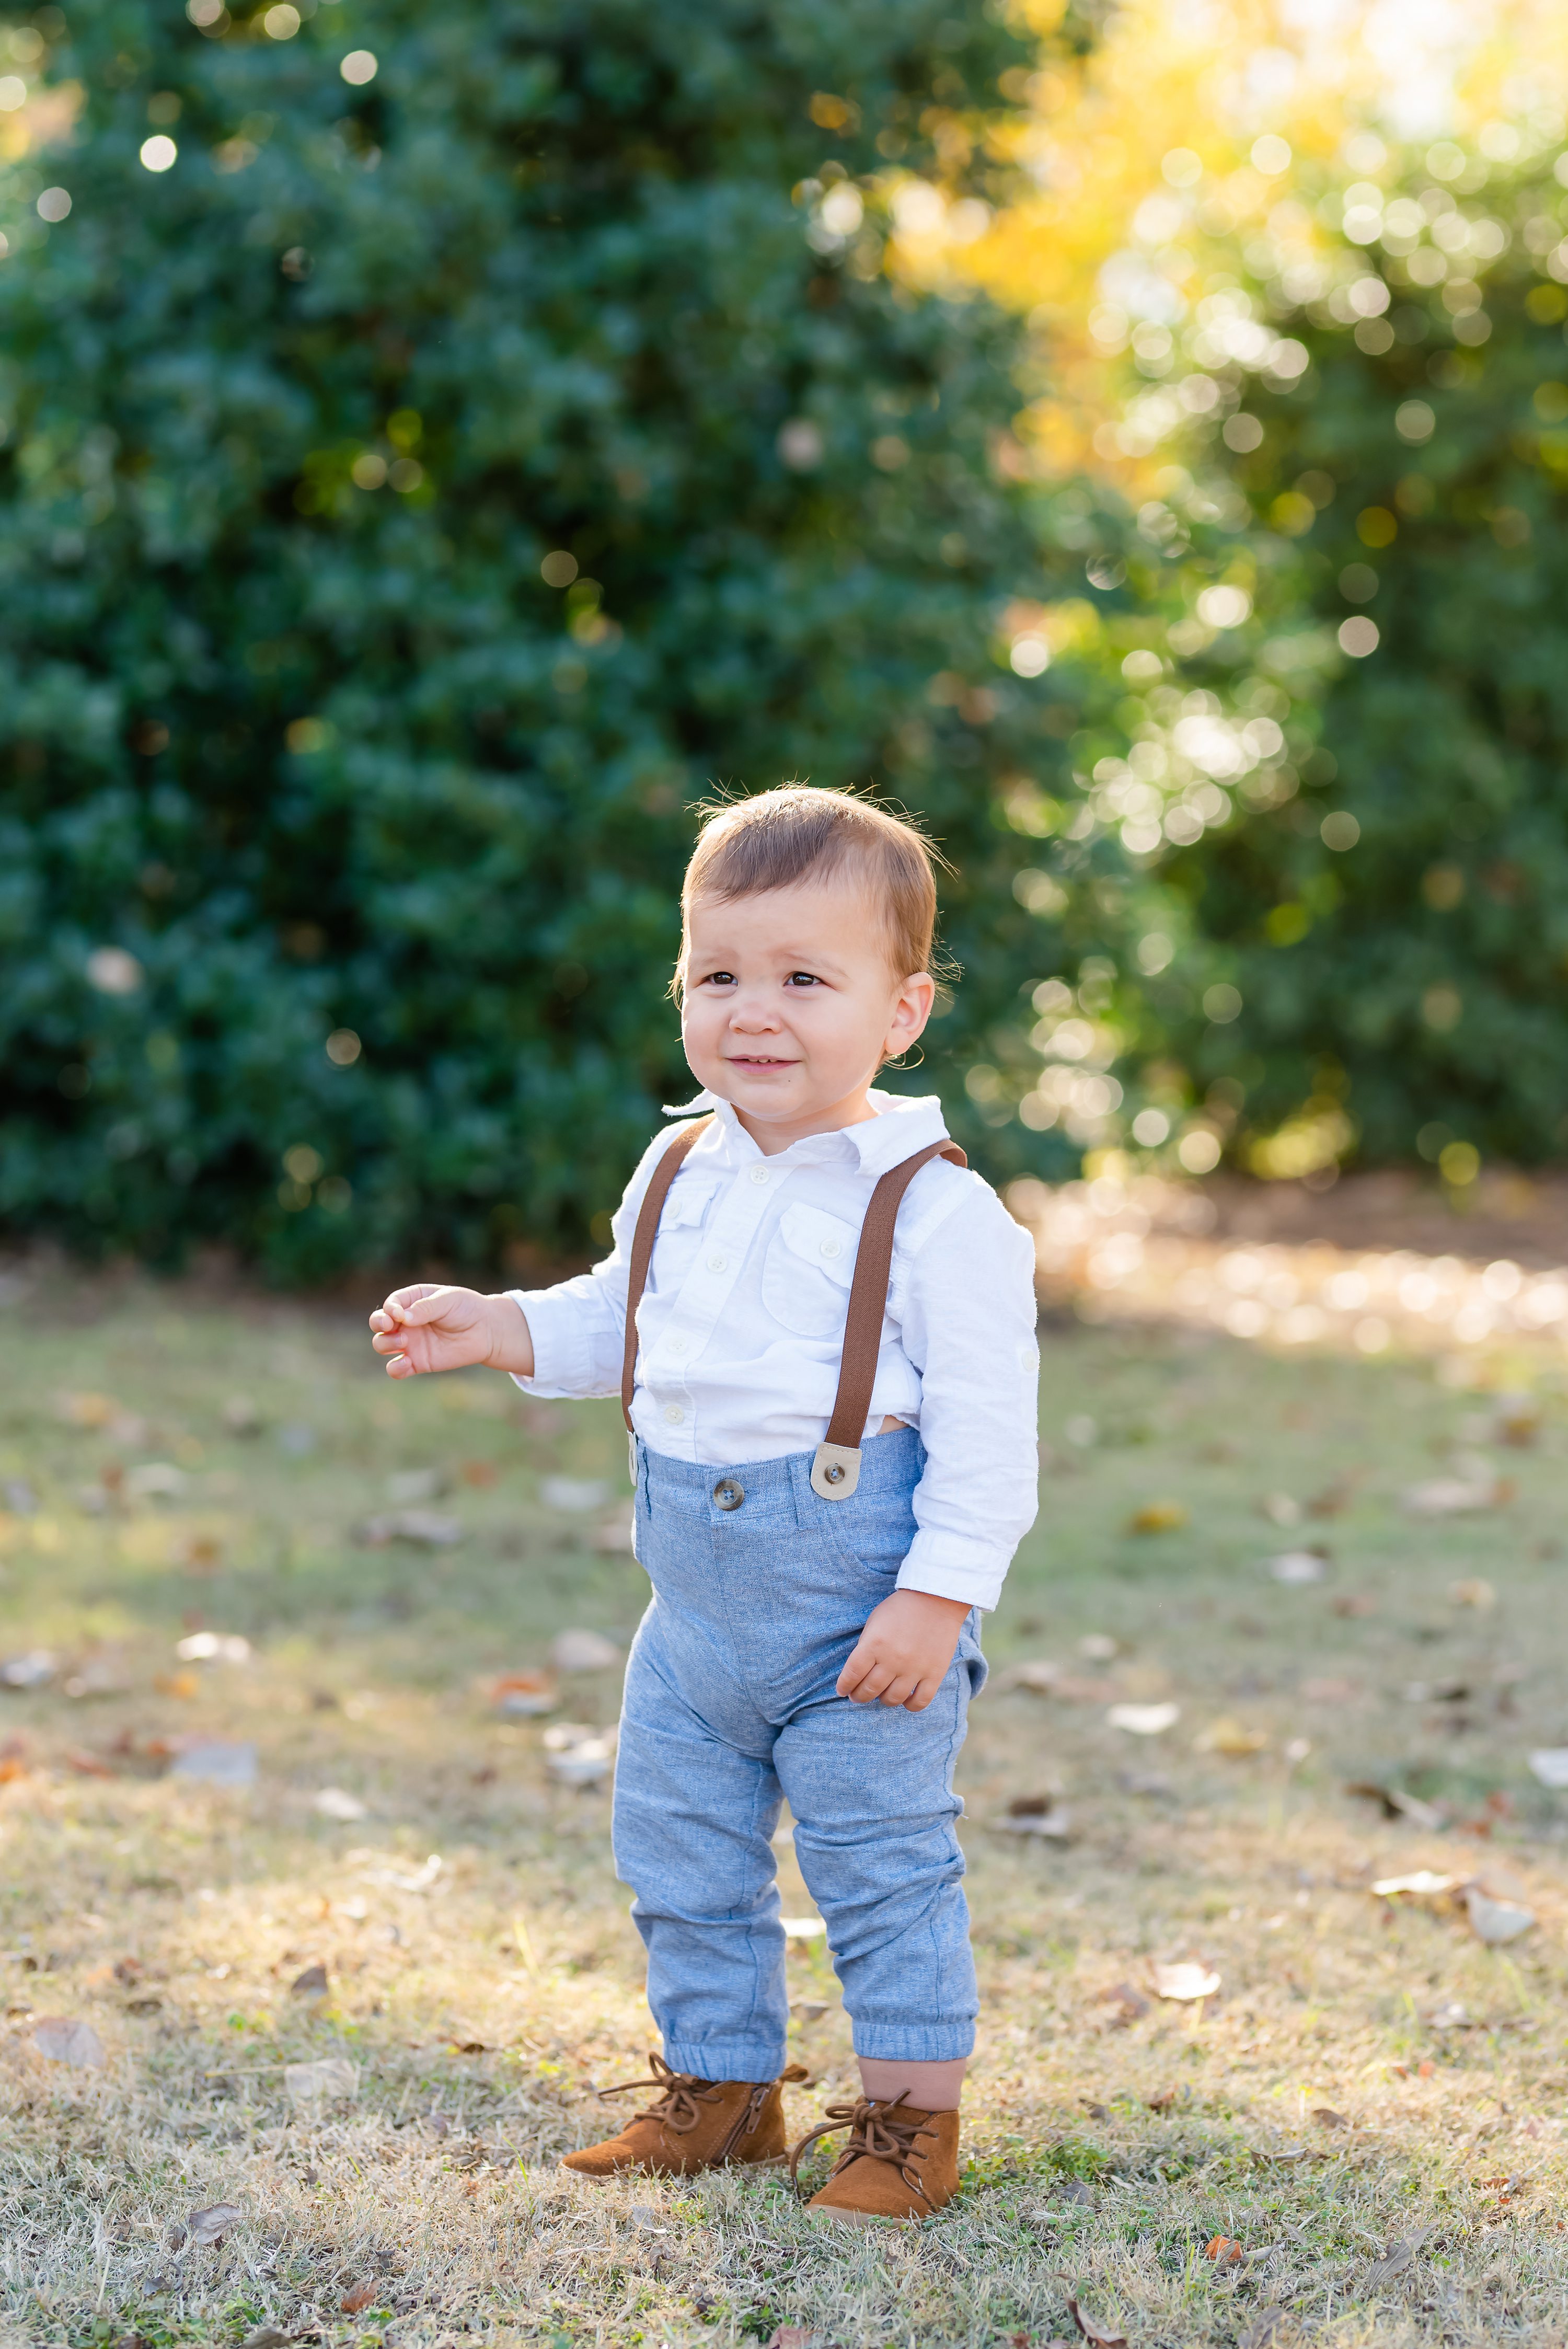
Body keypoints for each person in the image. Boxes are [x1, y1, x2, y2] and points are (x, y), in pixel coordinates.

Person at [368, 786, 1039, 2220]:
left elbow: (993, 1436)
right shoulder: (679, 1163)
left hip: (860, 1614)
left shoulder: (934, 1208)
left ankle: (911, 2128)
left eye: (807, 978)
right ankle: (723, 2092)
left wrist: (940, 1596)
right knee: (677, 1847)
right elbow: (631, 1320)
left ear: (902, 1011)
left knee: (880, 1867)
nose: (756, 1012)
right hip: (692, 1612)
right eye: (719, 975)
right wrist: (500, 1326)